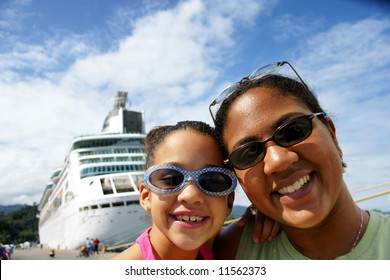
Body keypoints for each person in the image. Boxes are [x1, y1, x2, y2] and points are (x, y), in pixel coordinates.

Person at [210, 61, 390, 260]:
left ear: (332, 135)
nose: (278, 161)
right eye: (248, 154)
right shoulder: (230, 253)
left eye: (293, 131)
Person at [112, 121, 237, 260]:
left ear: (229, 202)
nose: (190, 195)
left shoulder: (225, 245)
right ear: (146, 197)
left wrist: (263, 214)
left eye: (212, 181)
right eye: (171, 179)